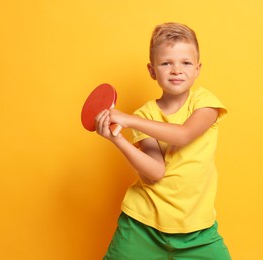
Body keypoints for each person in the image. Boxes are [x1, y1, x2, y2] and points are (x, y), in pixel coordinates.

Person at [96, 22, 231, 260]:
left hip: (196, 231)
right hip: (142, 225)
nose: (176, 70)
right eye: (166, 63)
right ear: (152, 71)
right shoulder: (144, 114)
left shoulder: (205, 103)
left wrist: (129, 121)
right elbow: (155, 172)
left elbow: (184, 134)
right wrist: (117, 138)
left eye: (186, 63)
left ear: (198, 69)